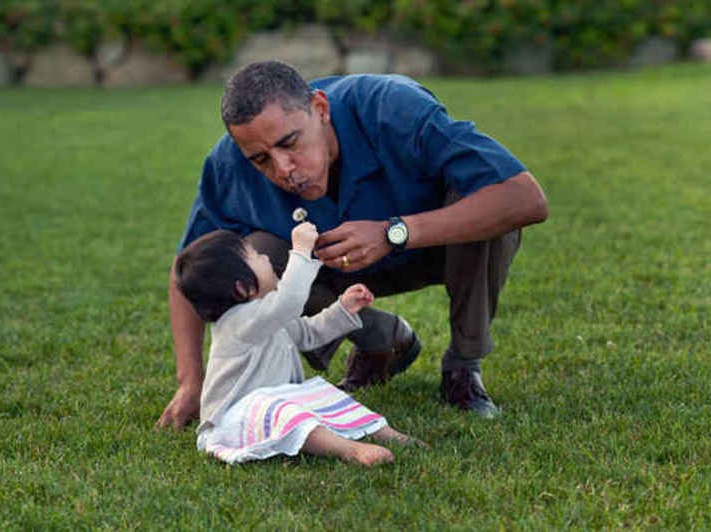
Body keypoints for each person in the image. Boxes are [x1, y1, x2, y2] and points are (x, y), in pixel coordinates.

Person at [158, 60, 548, 429]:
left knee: (482, 197)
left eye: (290, 142)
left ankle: (463, 366)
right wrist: (191, 381)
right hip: (333, 273)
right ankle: (382, 341)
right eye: (261, 159)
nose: (283, 170)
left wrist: (394, 232)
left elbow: (524, 198)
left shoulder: (392, 108)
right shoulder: (229, 165)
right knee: (255, 254)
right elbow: (189, 270)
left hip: (432, 250)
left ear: (320, 108)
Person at [176, 222, 414, 465]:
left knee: (323, 393)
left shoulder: (264, 315)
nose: (266, 258)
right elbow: (290, 300)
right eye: (256, 256)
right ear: (242, 288)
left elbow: (308, 333)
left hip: (276, 405)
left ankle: (388, 434)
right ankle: (348, 449)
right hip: (236, 418)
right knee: (279, 408)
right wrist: (301, 250)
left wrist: (343, 310)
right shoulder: (239, 322)